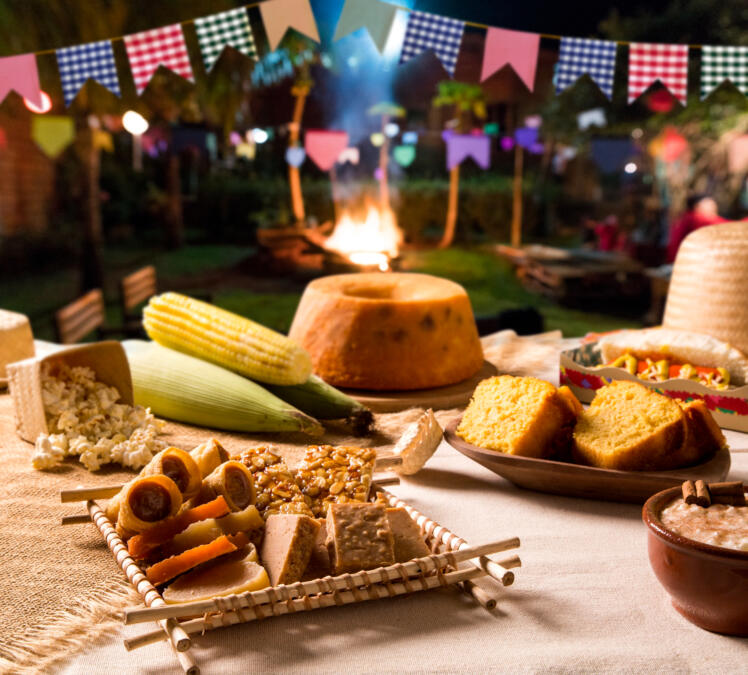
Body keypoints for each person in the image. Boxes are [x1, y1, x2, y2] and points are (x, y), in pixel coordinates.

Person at [667, 194, 727, 262]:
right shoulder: (696, 218)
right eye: (709, 204)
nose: (714, 207)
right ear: (697, 206)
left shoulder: (687, 217)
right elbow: (729, 226)